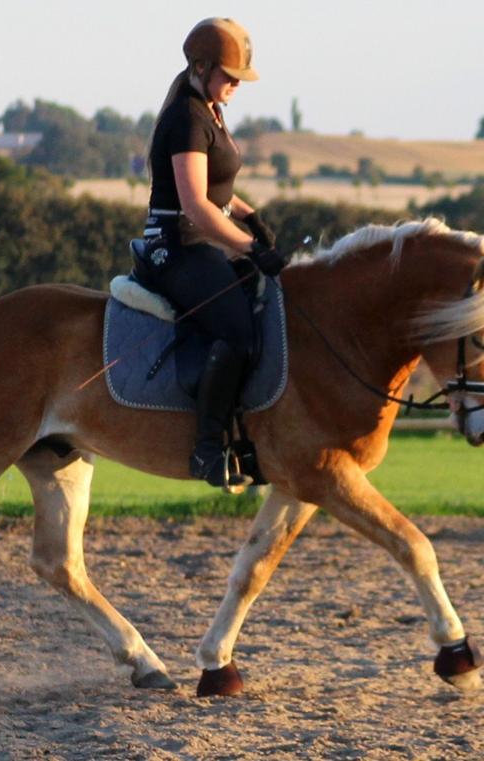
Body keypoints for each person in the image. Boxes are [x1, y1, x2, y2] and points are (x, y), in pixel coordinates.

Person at [138, 17, 287, 489]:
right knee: (239, 333)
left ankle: (250, 437)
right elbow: (197, 207)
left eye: (240, 80)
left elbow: (220, 191)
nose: (235, 87)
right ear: (200, 67)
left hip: (202, 241)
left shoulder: (212, 110)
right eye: (230, 77)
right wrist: (248, 247)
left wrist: (251, 216)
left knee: (265, 307)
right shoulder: (187, 117)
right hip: (175, 247)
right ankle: (206, 449)